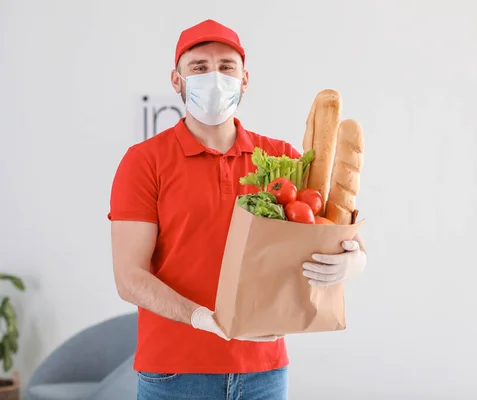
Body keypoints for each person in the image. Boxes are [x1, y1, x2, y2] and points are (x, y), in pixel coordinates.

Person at [108, 19, 367, 399]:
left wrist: (354, 260)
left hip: (263, 372)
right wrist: (200, 318)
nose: (214, 77)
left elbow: (343, 234)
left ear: (245, 79)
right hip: (176, 373)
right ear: (176, 81)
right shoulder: (144, 162)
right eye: (199, 67)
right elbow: (129, 277)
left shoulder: (281, 159)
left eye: (226, 67)